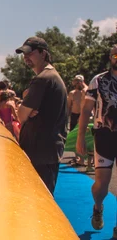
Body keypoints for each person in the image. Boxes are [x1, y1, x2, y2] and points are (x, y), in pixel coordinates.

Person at [15, 37, 68, 195]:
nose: (26, 57)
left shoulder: (42, 79)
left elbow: (21, 116)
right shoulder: (51, 77)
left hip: (40, 152)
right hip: (46, 151)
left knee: (37, 200)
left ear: (43, 53)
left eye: (30, 53)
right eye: (24, 54)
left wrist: (23, 107)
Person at [76, 45, 117, 232]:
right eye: (116, 55)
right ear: (110, 57)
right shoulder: (98, 81)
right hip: (104, 135)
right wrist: (80, 137)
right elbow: (85, 110)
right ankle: (98, 207)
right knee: (101, 185)